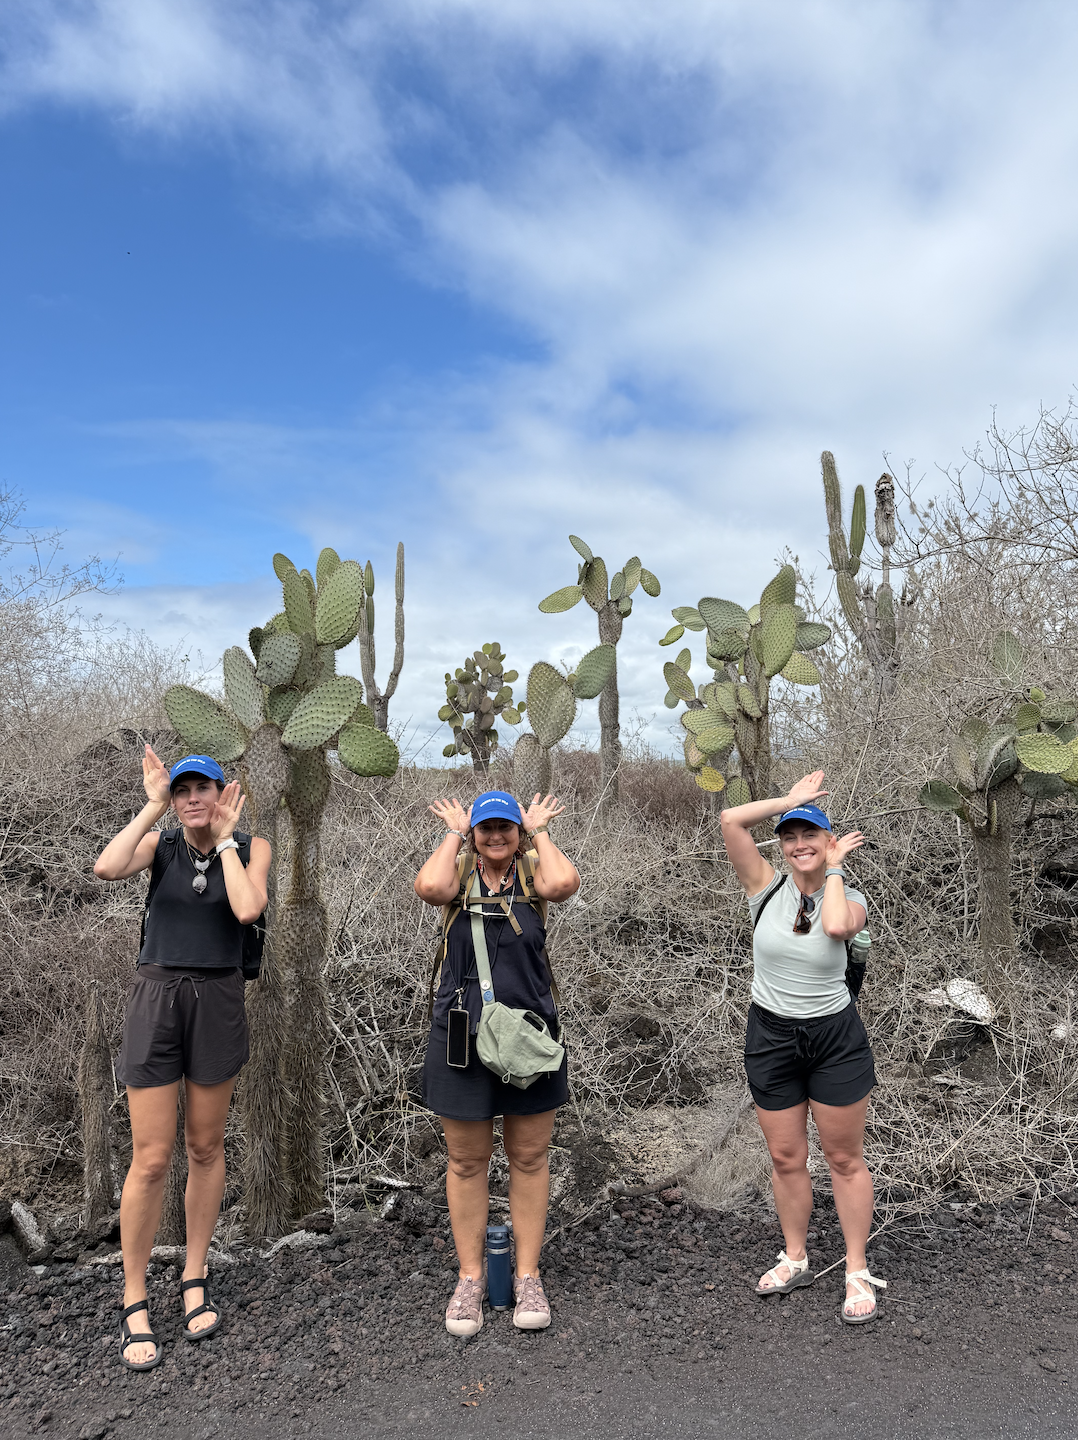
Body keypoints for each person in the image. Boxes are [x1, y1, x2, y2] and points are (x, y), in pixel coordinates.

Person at [93, 747, 270, 1370]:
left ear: (225, 792)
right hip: (157, 994)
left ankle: (194, 1274)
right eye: (183, 789)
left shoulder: (252, 847)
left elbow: (247, 908)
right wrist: (150, 804)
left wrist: (224, 841)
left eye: (205, 788)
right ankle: (134, 1295)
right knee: (150, 1156)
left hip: (218, 996)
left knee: (205, 1146)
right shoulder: (160, 846)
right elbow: (107, 866)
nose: (193, 798)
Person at [720, 770, 885, 1324]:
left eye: (809, 834)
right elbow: (730, 820)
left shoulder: (853, 899)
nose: (798, 844)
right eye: (789, 836)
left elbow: (836, 925)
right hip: (770, 1037)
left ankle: (856, 1269)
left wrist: (833, 868)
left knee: (843, 1158)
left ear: (829, 840)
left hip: (834, 1039)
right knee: (787, 1158)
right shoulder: (763, 887)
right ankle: (795, 1256)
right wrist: (790, 802)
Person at [415, 789, 580, 1336]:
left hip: (528, 1038)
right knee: (466, 1162)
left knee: (529, 1159)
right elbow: (428, 888)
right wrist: (453, 834)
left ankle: (528, 1274)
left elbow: (565, 885)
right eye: (485, 828)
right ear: (474, 833)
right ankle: (469, 1278)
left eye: (505, 827)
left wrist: (540, 833)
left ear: (517, 831)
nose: (495, 836)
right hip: (461, 1036)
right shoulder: (458, 874)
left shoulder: (534, 874)